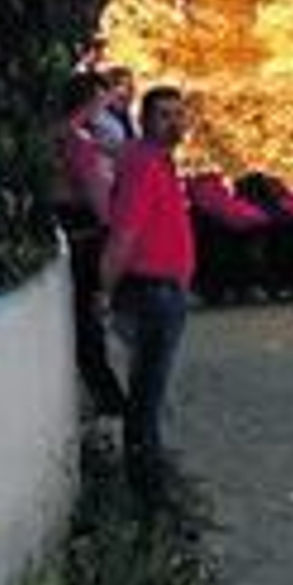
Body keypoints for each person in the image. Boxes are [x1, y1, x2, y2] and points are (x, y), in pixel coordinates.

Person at [100, 86, 196, 501]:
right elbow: (124, 234)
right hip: (150, 291)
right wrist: (104, 289)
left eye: (179, 114)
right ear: (144, 120)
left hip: (164, 288)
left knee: (151, 393)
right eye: (164, 116)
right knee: (147, 397)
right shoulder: (142, 164)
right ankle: (149, 493)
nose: (174, 123)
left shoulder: (156, 161)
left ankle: (150, 483)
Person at [52, 70, 127, 418]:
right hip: (86, 233)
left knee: (87, 316)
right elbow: (97, 196)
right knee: (90, 317)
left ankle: (104, 392)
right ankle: (108, 396)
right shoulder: (77, 141)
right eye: (100, 102)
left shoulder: (69, 138)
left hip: (72, 229)